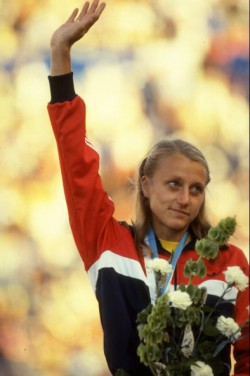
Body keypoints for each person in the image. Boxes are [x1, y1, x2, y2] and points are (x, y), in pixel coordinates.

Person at [47, 1, 249, 375]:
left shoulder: (229, 262)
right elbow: (76, 165)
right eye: (174, 184)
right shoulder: (107, 244)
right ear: (145, 184)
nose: (185, 198)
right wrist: (60, 56)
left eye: (196, 189)